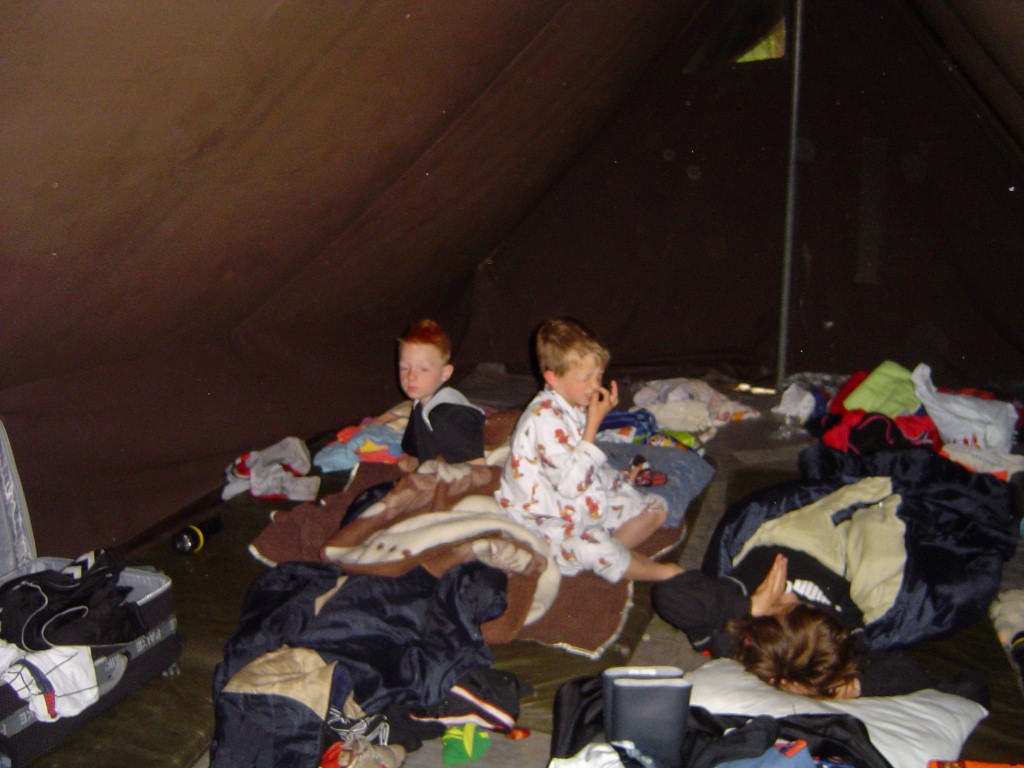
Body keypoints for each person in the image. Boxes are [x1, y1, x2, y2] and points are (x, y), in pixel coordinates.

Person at [651, 547, 988, 702]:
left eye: (789, 607)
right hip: (836, 564)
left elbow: (670, 593)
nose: (792, 596)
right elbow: (908, 673)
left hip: (781, 547)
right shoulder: (838, 639)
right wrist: (843, 689)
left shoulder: (728, 632)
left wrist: (750, 606)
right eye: (796, 606)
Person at [495, 317, 682, 584]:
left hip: (575, 502)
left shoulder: (572, 402)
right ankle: (664, 573)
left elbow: (584, 464)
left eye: (599, 375)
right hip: (541, 516)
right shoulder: (542, 418)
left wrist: (617, 481)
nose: (596, 386)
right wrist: (594, 424)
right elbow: (571, 484)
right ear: (553, 378)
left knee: (655, 508)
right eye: (586, 378)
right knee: (592, 545)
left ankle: (607, 556)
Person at [397, 319, 485, 471]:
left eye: (423, 369)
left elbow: (476, 466)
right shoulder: (420, 401)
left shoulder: (446, 415)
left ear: (445, 373)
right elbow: (415, 446)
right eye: (405, 368)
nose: (411, 376)